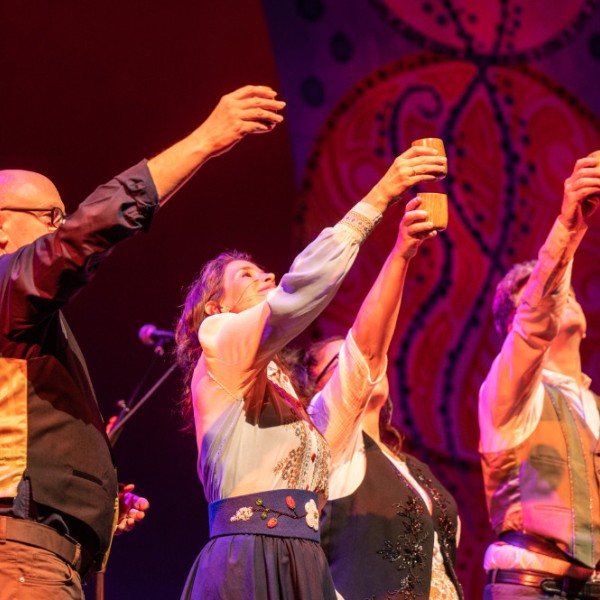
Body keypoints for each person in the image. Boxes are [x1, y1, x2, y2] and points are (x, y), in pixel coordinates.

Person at [0, 84, 286, 599]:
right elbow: (89, 232)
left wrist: (90, 505)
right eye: (51, 217)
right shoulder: (6, 288)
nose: (61, 228)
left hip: (38, 560)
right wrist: (207, 139)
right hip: (21, 563)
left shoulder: (22, 320)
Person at [174, 145, 447, 599]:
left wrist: (402, 253)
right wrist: (382, 193)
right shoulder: (219, 342)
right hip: (248, 560)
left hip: (305, 562)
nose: (266, 276)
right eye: (246, 275)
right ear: (215, 306)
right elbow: (295, 297)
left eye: (263, 271)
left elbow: (362, 361)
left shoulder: (297, 417)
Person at [303, 198, 463, 600]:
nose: (359, 369)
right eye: (340, 364)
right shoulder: (328, 447)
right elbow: (368, 348)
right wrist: (402, 253)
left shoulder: (414, 469)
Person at [478, 152, 600, 599]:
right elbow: (536, 317)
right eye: (550, 292)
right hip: (533, 589)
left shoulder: (593, 408)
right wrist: (569, 227)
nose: (561, 297)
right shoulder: (509, 393)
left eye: (568, 292)